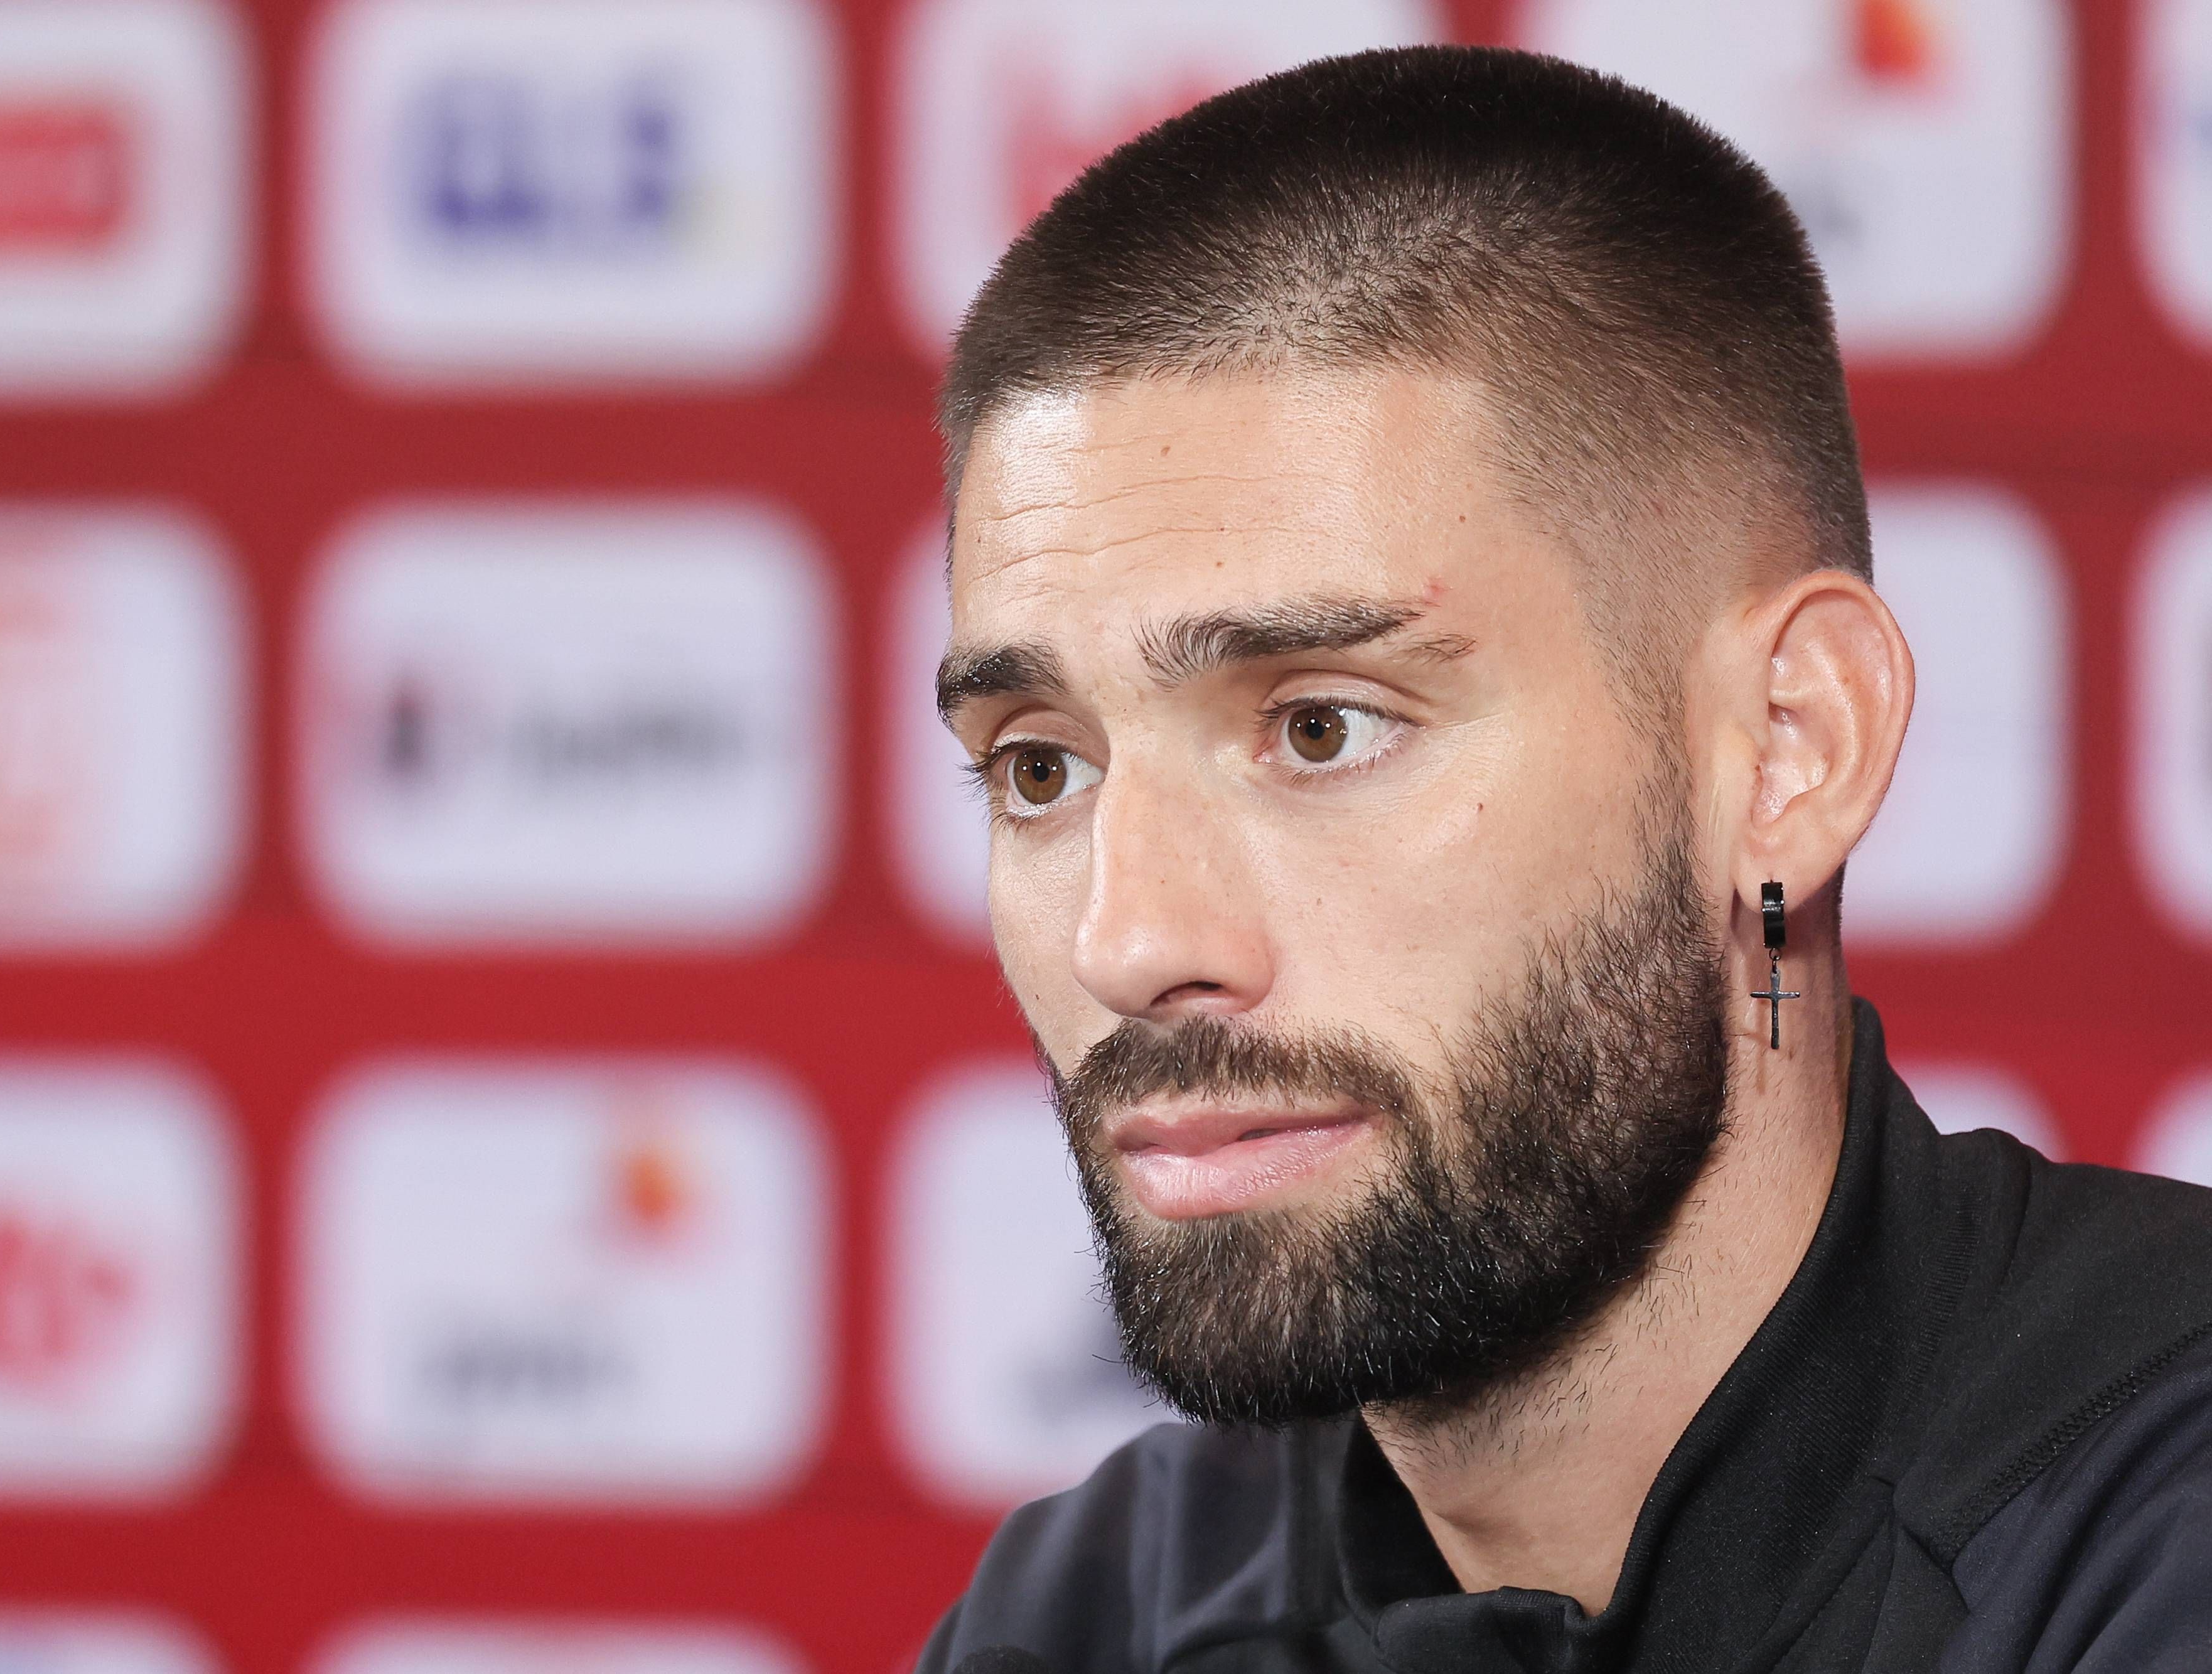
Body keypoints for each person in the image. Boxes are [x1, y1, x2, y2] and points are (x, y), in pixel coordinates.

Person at [913, 43, 2212, 1674]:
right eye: (1040, 766)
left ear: (1789, 752)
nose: (1127, 934)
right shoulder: (1095, 1608)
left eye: (1322, 727)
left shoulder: (2159, 1535)